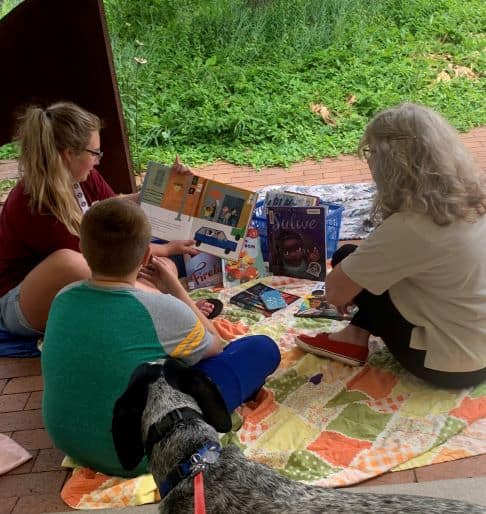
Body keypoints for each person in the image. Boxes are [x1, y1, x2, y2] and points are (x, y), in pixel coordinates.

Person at [41, 197, 280, 477]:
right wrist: (175, 287)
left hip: (71, 442)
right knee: (261, 348)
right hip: (145, 454)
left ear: (82, 248)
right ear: (145, 257)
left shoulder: (63, 297)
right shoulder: (159, 308)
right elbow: (216, 344)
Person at [296, 103, 486, 388]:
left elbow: (335, 292)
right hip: (477, 345)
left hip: (448, 366)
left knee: (350, 260)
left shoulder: (412, 226)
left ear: (391, 163)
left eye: (370, 153)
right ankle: (355, 335)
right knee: (365, 267)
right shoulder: (475, 197)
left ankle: (353, 335)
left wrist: (356, 285)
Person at [0, 101, 214, 337]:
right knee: (71, 262)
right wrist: (166, 256)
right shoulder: (32, 201)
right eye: (94, 153)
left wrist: (169, 186)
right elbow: (97, 260)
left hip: (81, 285)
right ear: (69, 154)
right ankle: (175, 308)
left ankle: (164, 303)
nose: (98, 160)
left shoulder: (83, 176)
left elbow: (119, 211)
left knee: (161, 268)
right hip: (20, 302)